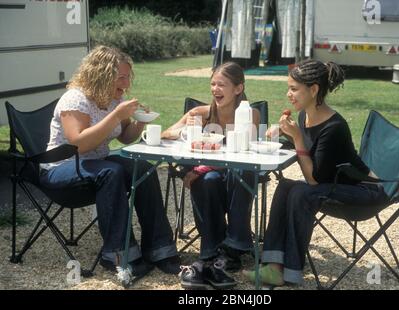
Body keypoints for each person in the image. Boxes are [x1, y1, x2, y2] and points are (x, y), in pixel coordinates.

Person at [243, 59, 389, 287]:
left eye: (294, 89)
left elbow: (313, 179)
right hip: (334, 186)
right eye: (289, 88)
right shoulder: (305, 116)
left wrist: (297, 137)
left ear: (313, 89)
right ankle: (272, 264)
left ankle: (291, 271)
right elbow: (309, 154)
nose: (288, 94)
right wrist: (285, 135)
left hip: (364, 192)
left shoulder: (334, 126)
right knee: (286, 186)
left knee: (301, 191)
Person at [39, 46, 180, 279]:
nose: (125, 84)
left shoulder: (114, 98)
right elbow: (79, 145)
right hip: (61, 169)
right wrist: (115, 115)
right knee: (112, 171)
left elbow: (125, 136)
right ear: (101, 75)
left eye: (127, 77)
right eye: (120, 77)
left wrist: (140, 123)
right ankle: (118, 256)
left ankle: (159, 249)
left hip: (97, 166)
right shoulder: (75, 98)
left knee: (142, 168)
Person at [162, 62, 260, 289]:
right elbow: (167, 133)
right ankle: (212, 251)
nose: (215, 89)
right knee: (208, 180)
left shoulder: (250, 114)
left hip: (235, 175)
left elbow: (244, 155)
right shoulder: (200, 114)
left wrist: (203, 168)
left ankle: (233, 246)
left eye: (221, 84)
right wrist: (187, 130)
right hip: (208, 177)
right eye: (212, 84)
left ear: (238, 88)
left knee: (240, 172)